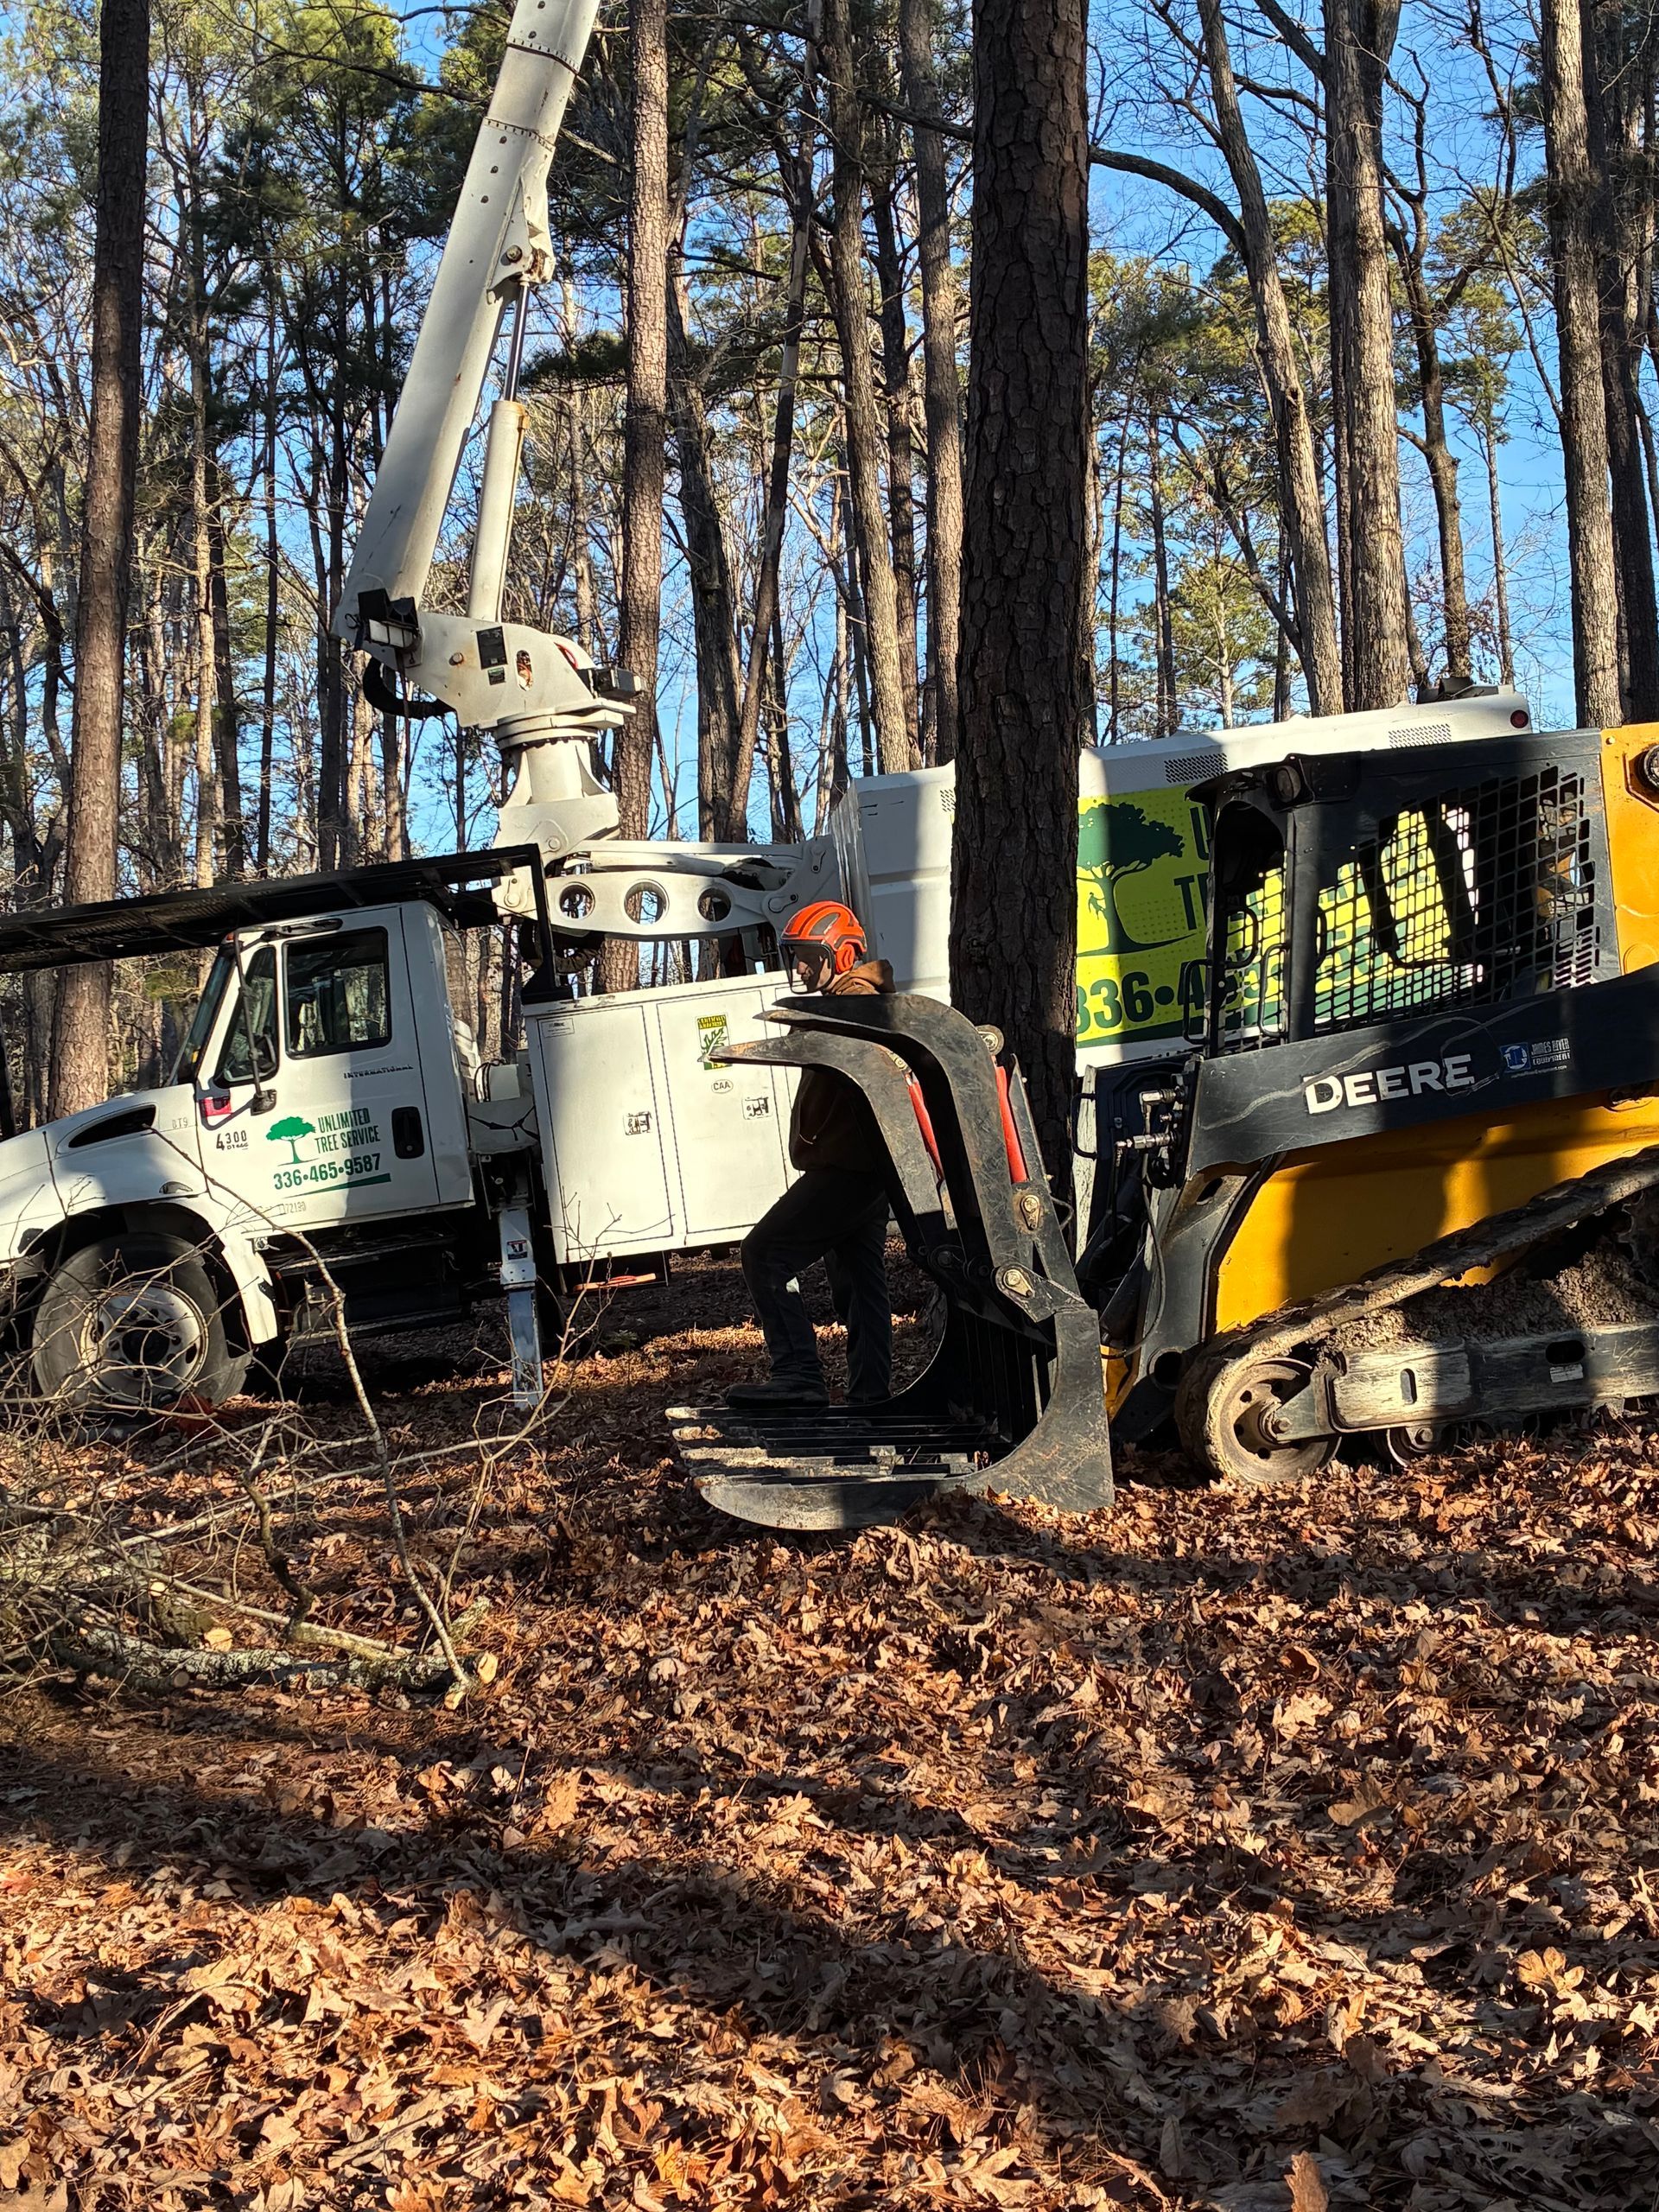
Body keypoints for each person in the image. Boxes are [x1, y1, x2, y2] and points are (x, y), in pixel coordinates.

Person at [727, 902, 896, 1411]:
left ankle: (798, 1375)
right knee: (861, 1285)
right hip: (866, 1172)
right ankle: (870, 1395)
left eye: (806, 956)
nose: (798, 967)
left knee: (765, 1254)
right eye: (794, 956)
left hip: (848, 1172)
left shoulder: (856, 1000)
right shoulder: (841, 1002)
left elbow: (833, 1042)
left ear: (841, 953)